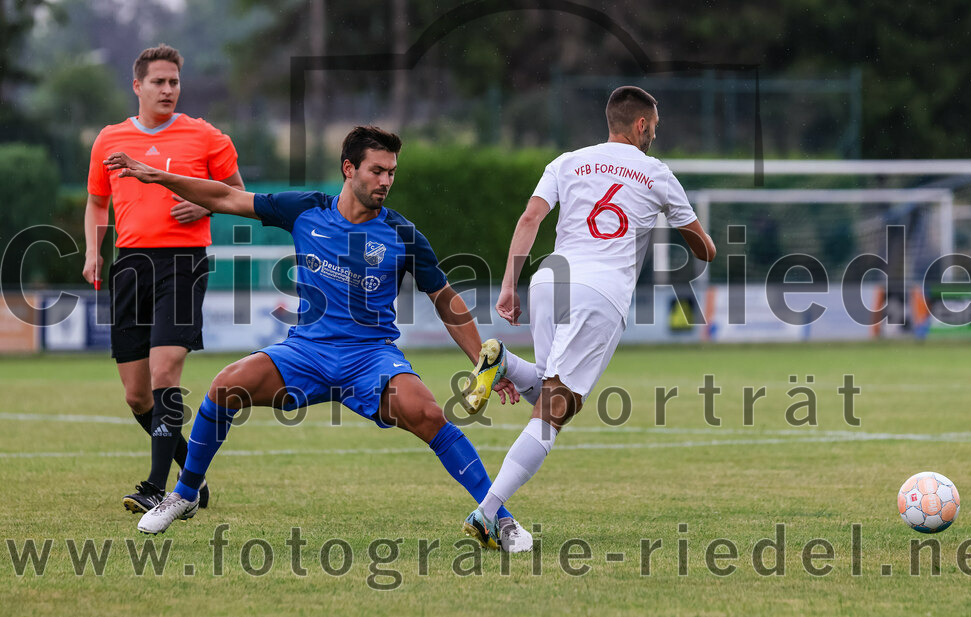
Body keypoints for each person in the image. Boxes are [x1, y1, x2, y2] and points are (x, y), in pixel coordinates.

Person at [104, 126, 537, 551]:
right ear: (349, 168)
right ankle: (185, 493)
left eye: (392, 172)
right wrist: (157, 175)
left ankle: (498, 518)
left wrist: (483, 363)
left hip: (370, 357)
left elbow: (446, 300)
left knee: (427, 413)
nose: (386, 180)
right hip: (305, 352)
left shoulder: (404, 234)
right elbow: (224, 197)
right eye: (377, 170)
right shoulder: (304, 209)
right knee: (225, 385)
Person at [464, 86, 717, 552]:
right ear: (641, 125)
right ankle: (488, 511)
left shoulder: (567, 161)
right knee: (555, 410)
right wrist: (691, 233)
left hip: (548, 281)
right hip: (599, 294)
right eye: (654, 129)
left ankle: (503, 365)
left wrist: (507, 285)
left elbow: (528, 220)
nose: (654, 136)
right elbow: (704, 247)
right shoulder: (657, 173)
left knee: (547, 387)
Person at [83, 44, 245, 514]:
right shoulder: (109, 139)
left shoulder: (204, 136)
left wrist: (204, 203)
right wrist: (94, 251)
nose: (168, 89)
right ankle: (192, 474)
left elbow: (237, 192)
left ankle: (159, 489)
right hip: (130, 266)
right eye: (159, 81)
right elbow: (97, 201)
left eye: (174, 81)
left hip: (183, 262)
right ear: (137, 86)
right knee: (136, 395)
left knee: (163, 373)